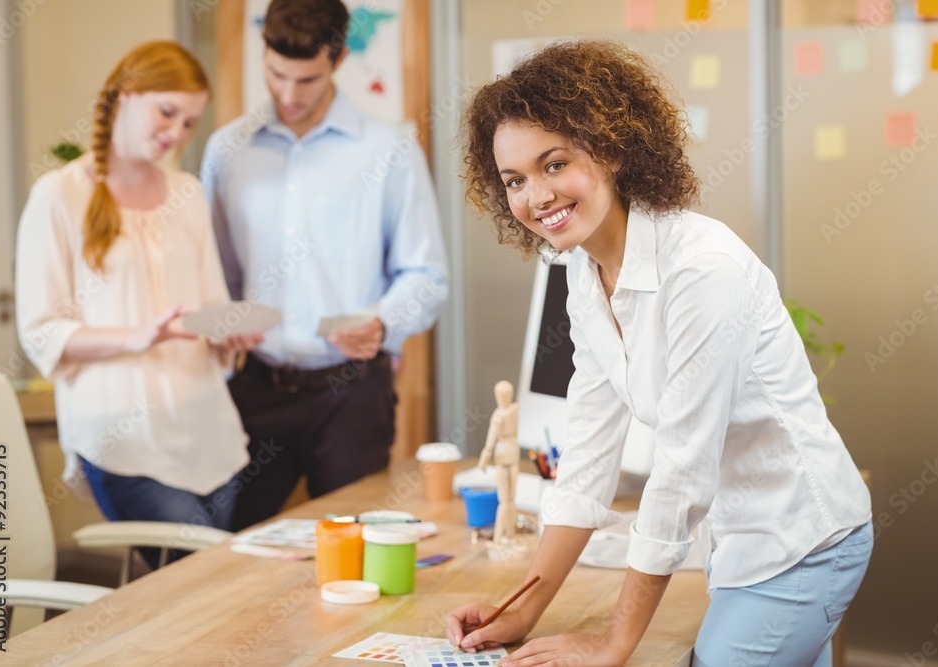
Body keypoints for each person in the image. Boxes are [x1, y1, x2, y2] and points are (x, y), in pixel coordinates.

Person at [446, 40, 872, 666]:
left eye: (554, 163)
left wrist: (614, 643)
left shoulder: (703, 268)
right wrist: (522, 608)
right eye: (515, 179)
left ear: (612, 148)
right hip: (737, 543)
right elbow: (588, 458)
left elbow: (682, 471)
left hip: (802, 540)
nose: (537, 196)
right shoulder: (586, 282)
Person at [200, 0, 449, 531]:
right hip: (256, 390)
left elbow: (427, 278)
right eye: (276, 74)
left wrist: (382, 322)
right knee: (232, 554)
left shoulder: (390, 149)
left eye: (307, 79)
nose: (289, 95)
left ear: (337, 61)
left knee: (354, 553)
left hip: (351, 394)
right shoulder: (227, 151)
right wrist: (219, 322)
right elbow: (214, 276)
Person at [15, 41, 261, 568]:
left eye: (190, 122)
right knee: (194, 583)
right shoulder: (59, 196)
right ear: (125, 97)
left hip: (208, 432)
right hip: (121, 436)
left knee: (205, 595)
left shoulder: (188, 193)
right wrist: (137, 336)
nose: (175, 132)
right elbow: (41, 331)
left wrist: (228, 332)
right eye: (167, 111)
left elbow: (211, 305)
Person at [477, 380, 520, 547]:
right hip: (512, 452)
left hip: (504, 454)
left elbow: (491, 439)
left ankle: (501, 537)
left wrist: (484, 457)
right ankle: (508, 536)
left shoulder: (499, 415)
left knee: (505, 501)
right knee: (510, 501)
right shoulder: (515, 410)